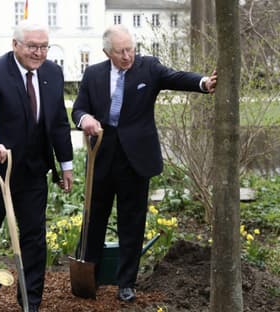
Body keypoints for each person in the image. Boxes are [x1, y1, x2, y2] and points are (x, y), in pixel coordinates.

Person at [71, 24, 217, 302]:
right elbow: (78, 109)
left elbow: (175, 77)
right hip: (100, 155)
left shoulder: (148, 68)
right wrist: (84, 119)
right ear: (107, 52)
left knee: (132, 221)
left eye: (131, 49)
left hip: (135, 159)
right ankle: (88, 277)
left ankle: (126, 283)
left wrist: (203, 83)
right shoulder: (93, 74)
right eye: (120, 51)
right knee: (94, 218)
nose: (128, 56)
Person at [0, 20, 73, 312]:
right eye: (32, 46)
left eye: (44, 46)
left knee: (34, 237)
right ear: (15, 45)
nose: (39, 52)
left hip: (33, 170)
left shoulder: (53, 73)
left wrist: (66, 164)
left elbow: (59, 121)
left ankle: (30, 303)